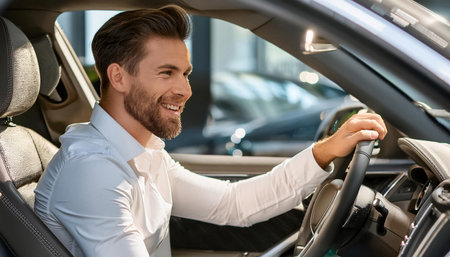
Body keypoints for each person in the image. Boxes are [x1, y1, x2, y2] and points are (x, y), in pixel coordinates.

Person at [34, 5, 387, 257]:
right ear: (118, 77)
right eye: (166, 73)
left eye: (185, 74)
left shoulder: (141, 153)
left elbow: (233, 205)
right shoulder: (93, 171)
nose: (185, 90)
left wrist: (324, 151)